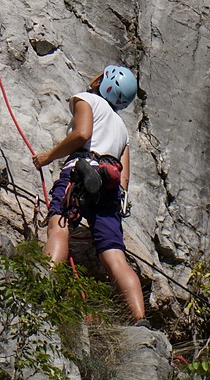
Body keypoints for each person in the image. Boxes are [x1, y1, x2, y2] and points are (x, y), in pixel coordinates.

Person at [33, 65, 147, 323]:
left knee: (59, 225)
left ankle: (42, 288)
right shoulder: (122, 129)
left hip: (81, 171)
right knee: (114, 254)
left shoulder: (87, 99)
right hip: (110, 187)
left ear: (102, 84)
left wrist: (48, 157)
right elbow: (125, 178)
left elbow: (82, 134)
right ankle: (140, 317)